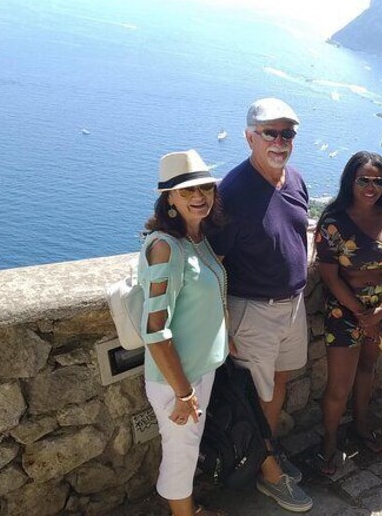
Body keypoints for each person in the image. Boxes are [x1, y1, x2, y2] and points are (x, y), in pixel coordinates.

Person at [209, 98, 312, 512]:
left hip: (293, 304)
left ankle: (265, 454)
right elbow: (213, 263)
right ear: (250, 136)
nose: (280, 141)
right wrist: (223, 324)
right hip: (252, 309)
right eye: (270, 132)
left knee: (279, 383)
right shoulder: (231, 192)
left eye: (287, 133)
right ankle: (269, 475)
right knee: (254, 395)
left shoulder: (296, 180)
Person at [138, 150, 228, 516]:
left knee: (188, 449)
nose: (199, 196)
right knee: (181, 454)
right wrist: (183, 392)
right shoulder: (166, 248)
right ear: (169, 197)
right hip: (179, 379)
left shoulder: (195, 237)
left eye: (205, 187)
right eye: (187, 190)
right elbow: (155, 331)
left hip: (196, 370)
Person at [314, 151, 382, 474]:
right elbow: (329, 275)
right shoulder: (333, 222)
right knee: (339, 385)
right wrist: (361, 313)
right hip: (344, 313)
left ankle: (361, 426)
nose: (371, 187)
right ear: (350, 181)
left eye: (378, 181)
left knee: (367, 370)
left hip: (379, 313)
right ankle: (329, 441)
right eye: (363, 180)